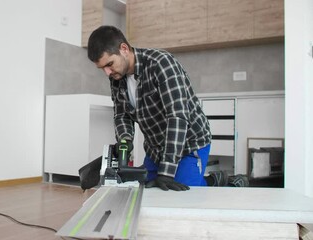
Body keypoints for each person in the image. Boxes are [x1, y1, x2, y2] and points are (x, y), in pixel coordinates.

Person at [87, 25, 248, 191]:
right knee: (144, 191)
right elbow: (122, 115)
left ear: (124, 49)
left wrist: (166, 172)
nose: (107, 72)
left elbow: (177, 118)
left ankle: (222, 182)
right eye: (102, 69)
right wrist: (125, 139)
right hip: (155, 147)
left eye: (109, 64)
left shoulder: (161, 63)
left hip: (189, 143)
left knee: (182, 195)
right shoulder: (116, 77)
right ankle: (208, 179)